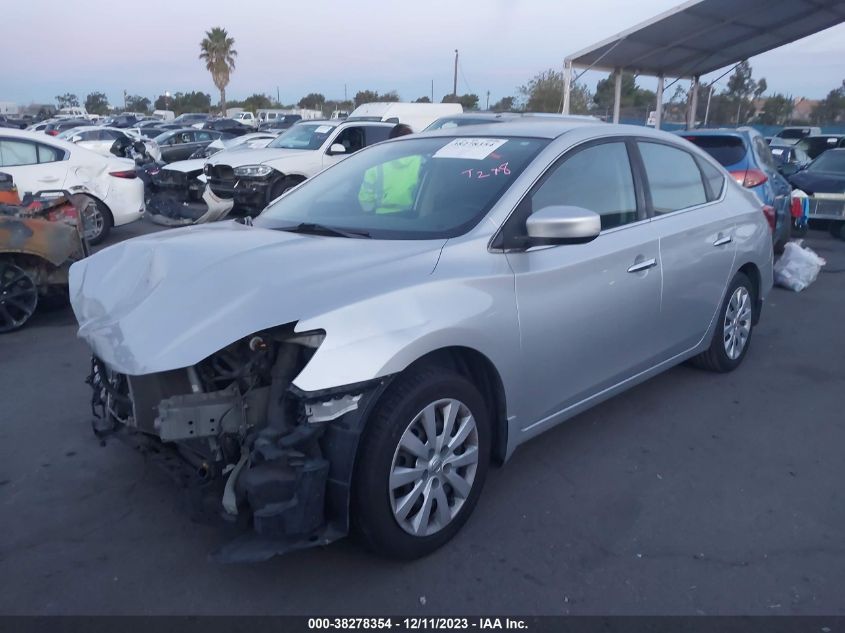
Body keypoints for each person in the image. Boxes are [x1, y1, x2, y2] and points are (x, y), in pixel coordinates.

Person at [358, 124, 421, 214]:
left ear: (391, 141)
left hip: (382, 219)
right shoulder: (422, 162)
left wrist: (371, 213)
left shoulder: (376, 165)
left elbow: (365, 200)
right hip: (414, 218)